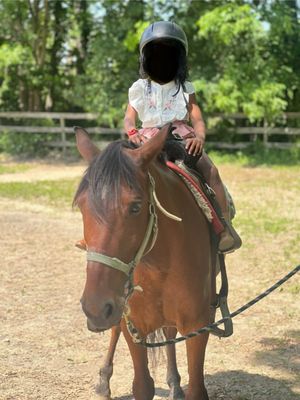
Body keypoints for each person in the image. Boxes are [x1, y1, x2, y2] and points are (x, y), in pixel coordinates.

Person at [123, 21, 242, 253]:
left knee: (212, 172)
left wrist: (199, 138)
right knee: (115, 173)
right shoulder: (139, 88)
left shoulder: (185, 87)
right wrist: (132, 132)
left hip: (180, 138)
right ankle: (103, 233)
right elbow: (129, 118)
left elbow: (196, 118)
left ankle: (224, 227)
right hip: (147, 139)